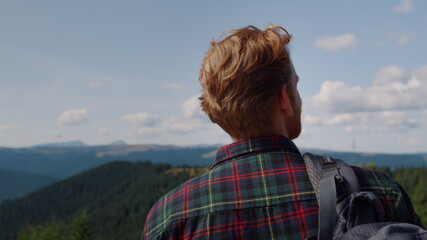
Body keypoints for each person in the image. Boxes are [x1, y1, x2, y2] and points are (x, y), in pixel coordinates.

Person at [142, 25, 424, 240]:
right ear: (283, 99)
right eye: (295, 86)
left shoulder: (170, 216)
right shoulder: (377, 193)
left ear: (216, 111)